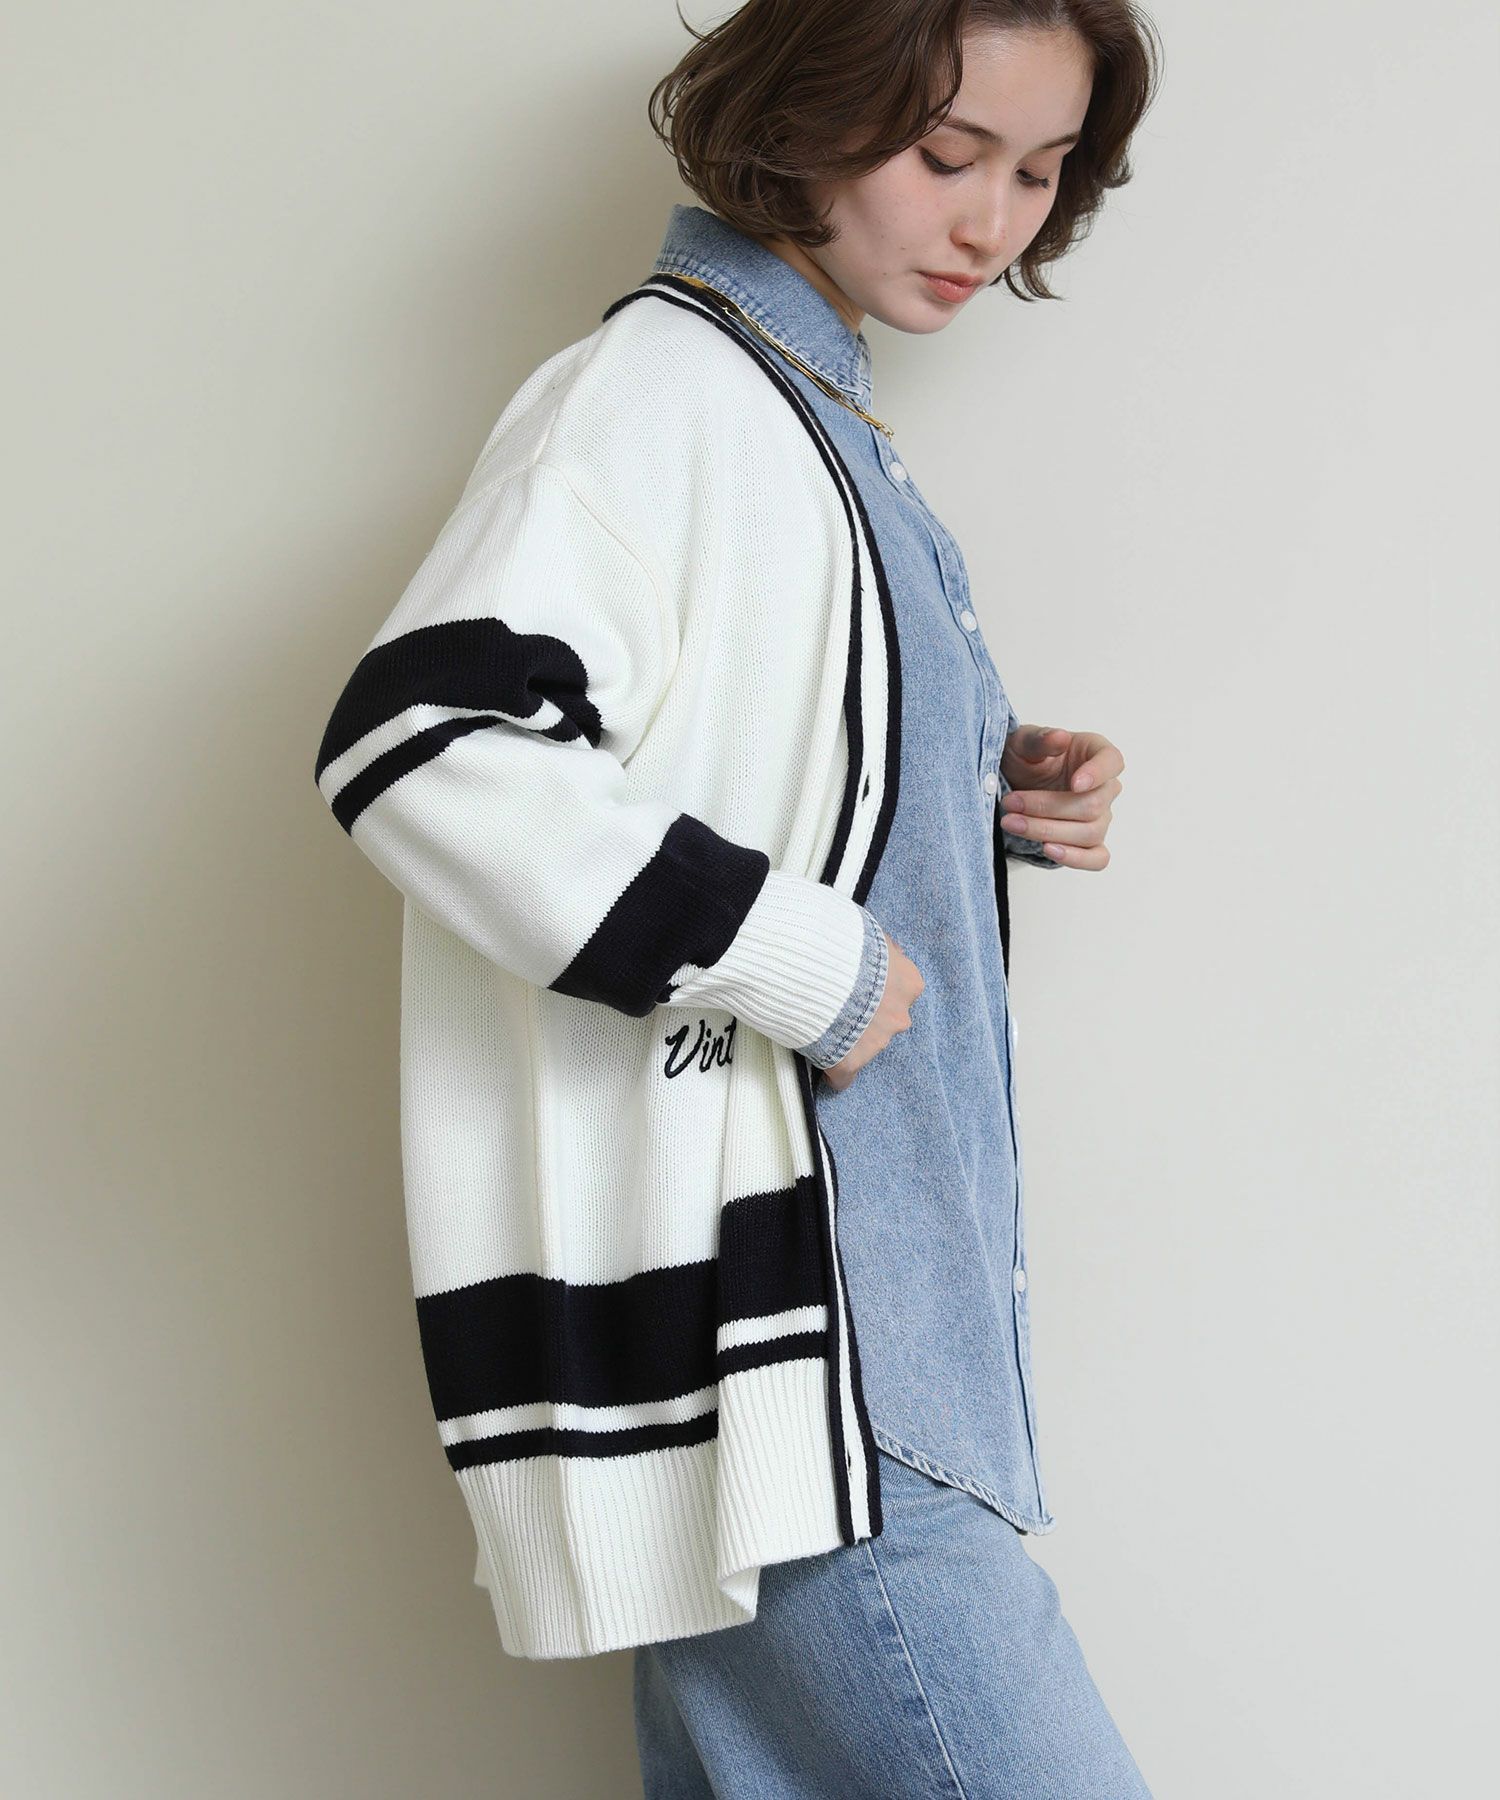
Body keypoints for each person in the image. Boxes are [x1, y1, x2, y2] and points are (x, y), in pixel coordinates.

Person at [312, 0, 1159, 1791]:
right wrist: (804, 961)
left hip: (857, 1347)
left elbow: (742, 763)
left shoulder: (808, 416)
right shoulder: (666, 392)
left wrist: (973, 786)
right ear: (805, 116)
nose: (992, 219)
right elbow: (423, 740)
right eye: (947, 154)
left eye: (1037, 170)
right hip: (807, 1366)